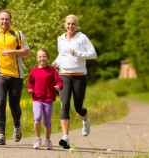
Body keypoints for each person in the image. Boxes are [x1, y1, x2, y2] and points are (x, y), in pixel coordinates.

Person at [52, 14, 97, 149]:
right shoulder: (60, 38)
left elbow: (93, 54)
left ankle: (85, 119)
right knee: (64, 105)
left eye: (73, 24)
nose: (70, 26)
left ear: (77, 26)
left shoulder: (82, 38)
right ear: (65, 24)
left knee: (78, 107)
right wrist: (56, 62)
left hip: (79, 76)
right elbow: (62, 54)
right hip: (64, 75)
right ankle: (65, 137)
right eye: (68, 24)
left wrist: (78, 54)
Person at [0, 10, 31, 145]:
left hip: (16, 75)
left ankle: (17, 126)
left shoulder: (17, 33)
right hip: (0, 74)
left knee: (14, 105)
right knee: (0, 103)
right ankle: (1, 135)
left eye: (7, 19)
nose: (4, 21)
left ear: (10, 20)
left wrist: (12, 51)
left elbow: (27, 52)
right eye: (2, 19)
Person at [27, 48, 63, 150]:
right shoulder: (34, 71)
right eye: (40, 56)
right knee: (37, 118)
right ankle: (37, 139)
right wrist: (30, 89)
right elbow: (30, 83)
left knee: (47, 122)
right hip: (37, 99)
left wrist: (59, 86)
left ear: (47, 58)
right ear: (37, 58)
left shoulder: (52, 70)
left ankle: (48, 140)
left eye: (44, 56)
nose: (42, 58)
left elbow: (59, 81)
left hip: (48, 99)